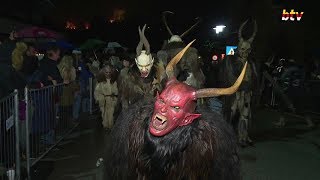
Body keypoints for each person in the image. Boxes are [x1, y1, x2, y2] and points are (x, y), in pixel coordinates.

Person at [94, 64, 118, 130]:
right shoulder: (100, 82)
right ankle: (105, 125)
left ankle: (110, 125)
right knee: (104, 113)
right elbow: (97, 91)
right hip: (103, 100)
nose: (108, 74)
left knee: (111, 113)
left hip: (111, 99)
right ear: (103, 72)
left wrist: (115, 97)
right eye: (106, 72)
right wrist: (98, 98)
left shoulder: (114, 81)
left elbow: (116, 91)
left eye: (109, 72)